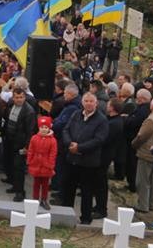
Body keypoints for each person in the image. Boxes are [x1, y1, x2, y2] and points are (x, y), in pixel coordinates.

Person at [61, 91, 109, 224]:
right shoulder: (76, 114)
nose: (88, 104)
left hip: (88, 162)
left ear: (96, 103)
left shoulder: (102, 120)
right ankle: (66, 217)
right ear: (82, 102)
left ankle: (86, 218)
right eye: (86, 101)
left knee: (86, 192)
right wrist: (69, 143)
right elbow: (66, 130)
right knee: (68, 189)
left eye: (91, 101)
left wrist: (80, 147)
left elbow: (99, 140)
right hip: (72, 159)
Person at [3, 87, 37, 201]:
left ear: (24, 97)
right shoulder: (10, 105)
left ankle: (20, 192)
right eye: (16, 97)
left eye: (21, 97)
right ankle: (14, 185)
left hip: (20, 143)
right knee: (11, 164)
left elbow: (30, 131)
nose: (19, 100)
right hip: (10, 139)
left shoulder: (29, 111)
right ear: (13, 97)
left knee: (19, 168)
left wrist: (27, 147)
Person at [97, 98, 126, 216]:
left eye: (108, 105)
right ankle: (98, 206)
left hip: (105, 155)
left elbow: (105, 138)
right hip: (105, 153)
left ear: (112, 108)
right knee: (99, 181)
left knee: (101, 182)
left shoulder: (115, 123)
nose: (106, 106)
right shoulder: (112, 120)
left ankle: (101, 209)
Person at [27, 116, 57, 210]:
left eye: (46, 127)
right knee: (36, 184)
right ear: (39, 128)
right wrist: (29, 160)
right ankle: (35, 199)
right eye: (42, 127)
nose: (44, 129)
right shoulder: (34, 138)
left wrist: (50, 164)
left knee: (45, 185)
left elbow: (53, 153)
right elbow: (31, 150)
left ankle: (44, 199)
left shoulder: (52, 140)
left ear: (49, 128)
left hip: (46, 165)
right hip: (36, 164)